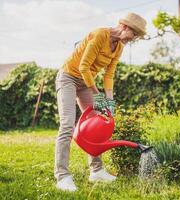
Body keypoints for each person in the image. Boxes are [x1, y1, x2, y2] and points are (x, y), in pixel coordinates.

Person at [54, 13, 147, 192]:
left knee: (99, 123)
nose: (133, 39)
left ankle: (96, 170)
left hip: (86, 82)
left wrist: (109, 102)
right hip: (68, 77)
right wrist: (98, 95)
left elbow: (109, 75)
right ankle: (62, 176)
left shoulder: (119, 47)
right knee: (67, 125)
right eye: (134, 34)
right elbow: (83, 67)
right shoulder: (99, 35)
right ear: (125, 27)